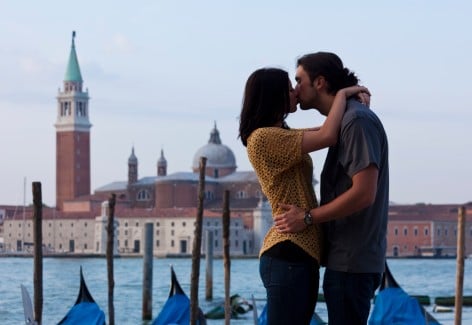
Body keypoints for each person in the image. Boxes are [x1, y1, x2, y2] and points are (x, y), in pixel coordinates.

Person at [238, 67, 369, 325]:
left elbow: (327, 128)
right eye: (289, 88)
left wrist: (354, 104)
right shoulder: (264, 138)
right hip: (287, 251)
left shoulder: (281, 135)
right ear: (273, 95)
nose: (295, 92)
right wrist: (344, 93)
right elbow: (328, 135)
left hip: (299, 253)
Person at [274, 52, 389, 325]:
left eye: (299, 80)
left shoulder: (355, 121)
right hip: (348, 260)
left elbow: (364, 193)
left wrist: (307, 217)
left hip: (352, 262)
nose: (295, 88)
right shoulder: (347, 121)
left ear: (320, 83)